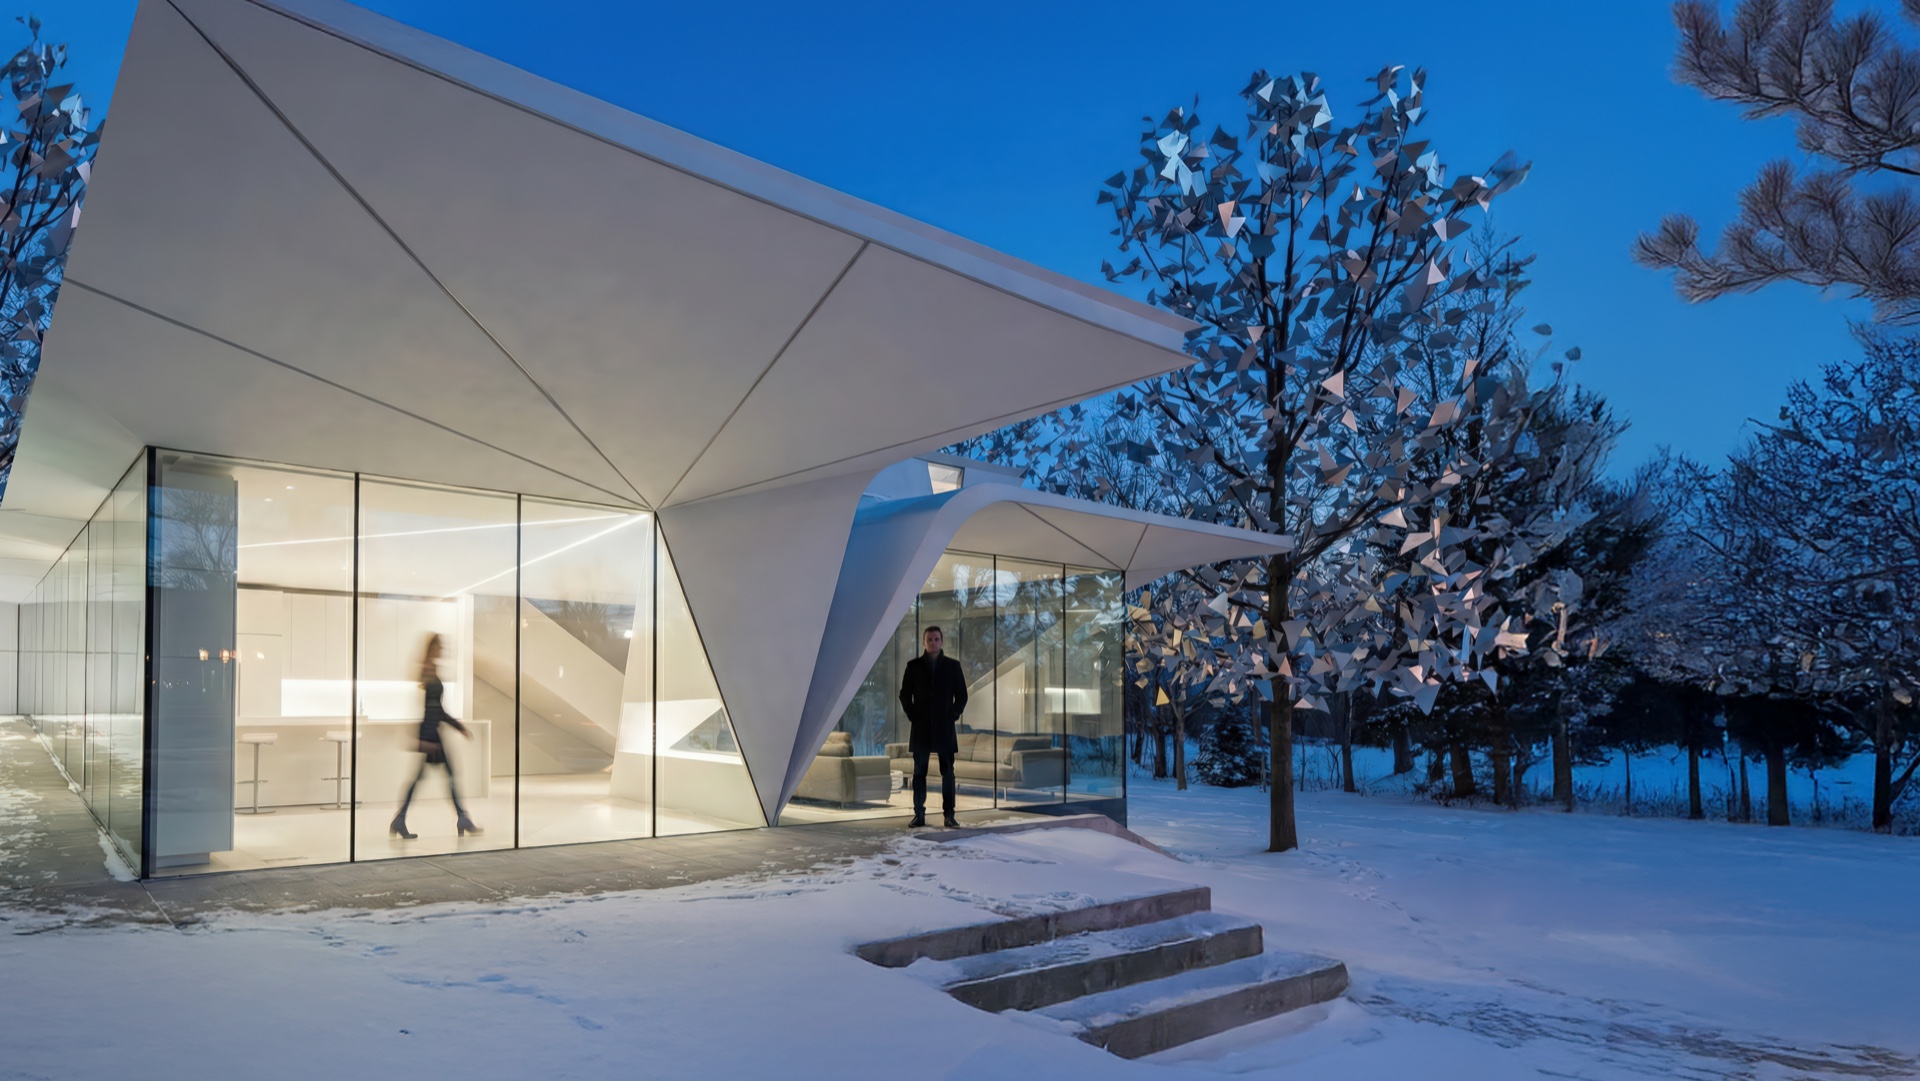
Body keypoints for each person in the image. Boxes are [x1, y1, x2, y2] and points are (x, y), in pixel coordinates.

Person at [389, 633, 479, 840]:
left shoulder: (429, 670)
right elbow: (433, 711)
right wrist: (432, 738)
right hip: (431, 736)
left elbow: (435, 710)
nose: (442, 651)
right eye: (440, 647)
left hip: (431, 734)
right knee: (445, 776)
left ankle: (401, 819)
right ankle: (461, 818)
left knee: (432, 777)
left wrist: (457, 726)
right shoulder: (429, 671)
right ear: (432, 649)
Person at [897, 625, 968, 828]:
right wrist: (913, 715)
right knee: (919, 773)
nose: (933, 643)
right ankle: (919, 815)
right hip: (921, 728)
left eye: (936, 639)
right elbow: (904, 694)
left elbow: (962, 695)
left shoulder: (953, 666)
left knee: (948, 773)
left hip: (945, 728)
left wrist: (953, 715)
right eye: (929, 639)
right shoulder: (914, 666)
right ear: (924, 642)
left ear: (942, 641)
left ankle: (949, 815)